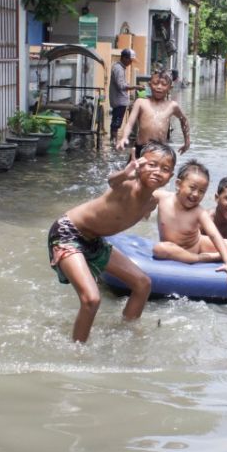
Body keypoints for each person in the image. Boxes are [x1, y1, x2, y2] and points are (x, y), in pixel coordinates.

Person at [48, 141, 177, 342]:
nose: (158, 171)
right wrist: (126, 173)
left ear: (171, 176)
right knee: (91, 299)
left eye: (165, 169)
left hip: (94, 241)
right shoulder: (125, 186)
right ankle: (77, 353)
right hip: (68, 233)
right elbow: (112, 181)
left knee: (143, 284)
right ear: (139, 164)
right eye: (151, 164)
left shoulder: (151, 203)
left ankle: (126, 333)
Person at [153, 161, 227, 283]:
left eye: (202, 191)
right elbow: (141, 199)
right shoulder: (161, 197)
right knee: (159, 249)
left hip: (197, 245)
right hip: (173, 249)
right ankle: (200, 259)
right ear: (178, 184)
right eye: (192, 188)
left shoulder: (198, 211)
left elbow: (214, 235)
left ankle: (205, 256)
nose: (196, 194)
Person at [116, 69, 191, 157]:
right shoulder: (140, 102)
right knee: (132, 170)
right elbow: (129, 123)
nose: (159, 87)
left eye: (164, 84)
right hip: (141, 148)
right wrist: (124, 138)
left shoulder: (172, 106)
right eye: (155, 83)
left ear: (170, 87)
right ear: (150, 84)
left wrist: (187, 140)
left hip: (160, 150)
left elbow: (184, 121)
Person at [108, 48, 135, 140]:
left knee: (116, 123)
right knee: (116, 124)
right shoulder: (118, 69)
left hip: (119, 101)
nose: (130, 62)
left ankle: (113, 141)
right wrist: (134, 87)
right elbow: (121, 86)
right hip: (119, 101)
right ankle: (113, 143)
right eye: (130, 60)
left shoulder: (120, 68)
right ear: (124, 58)